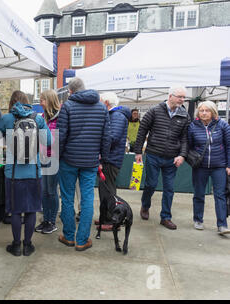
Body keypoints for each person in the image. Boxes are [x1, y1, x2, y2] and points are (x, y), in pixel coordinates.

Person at [0, 90, 51, 257]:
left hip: (13, 174)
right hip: (34, 172)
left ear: (12, 103)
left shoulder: (7, 118)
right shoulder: (37, 119)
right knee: (31, 210)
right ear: (27, 102)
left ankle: (16, 245)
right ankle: (28, 245)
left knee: (16, 211)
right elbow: (49, 141)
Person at [56, 77, 111, 251]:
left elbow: (61, 136)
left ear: (70, 91)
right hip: (90, 161)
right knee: (87, 198)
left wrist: (58, 156)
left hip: (69, 160)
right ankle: (82, 240)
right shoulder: (102, 107)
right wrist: (102, 159)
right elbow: (106, 137)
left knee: (67, 197)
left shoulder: (67, 107)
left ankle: (69, 236)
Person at [134, 85, 191, 230]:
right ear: (170, 96)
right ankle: (145, 206)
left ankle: (165, 217)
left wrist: (182, 155)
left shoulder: (185, 115)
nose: (182, 99)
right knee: (151, 185)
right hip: (153, 155)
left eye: (184, 97)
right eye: (180, 96)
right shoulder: (154, 111)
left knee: (169, 189)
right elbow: (142, 131)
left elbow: (185, 139)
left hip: (172, 158)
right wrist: (138, 152)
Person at [188, 101, 230, 235]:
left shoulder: (223, 125)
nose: (204, 113)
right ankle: (198, 219)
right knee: (199, 194)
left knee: (220, 195)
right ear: (198, 113)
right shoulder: (192, 127)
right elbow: (188, 146)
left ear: (213, 112)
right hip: (200, 167)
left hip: (219, 166)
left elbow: (229, 146)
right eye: (201, 110)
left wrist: (229, 165)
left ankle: (222, 225)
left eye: (207, 110)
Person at [96, 92, 131, 231]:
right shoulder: (114, 116)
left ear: (105, 103)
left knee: (108, 191)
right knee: (104, 190)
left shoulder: (117, 116)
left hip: (110, 159)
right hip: (109, 158)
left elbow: (112, 137)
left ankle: (112, 221)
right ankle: (105, 217)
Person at [34, 89, 60, 234]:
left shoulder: (60, 118)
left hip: (54, 159)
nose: (40, 103)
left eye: (42, 100)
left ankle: (52, 221)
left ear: (49, 101)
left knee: (52, 191)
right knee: (43, 191)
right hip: (42, 159)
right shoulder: (42, 117)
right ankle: (45, 220)